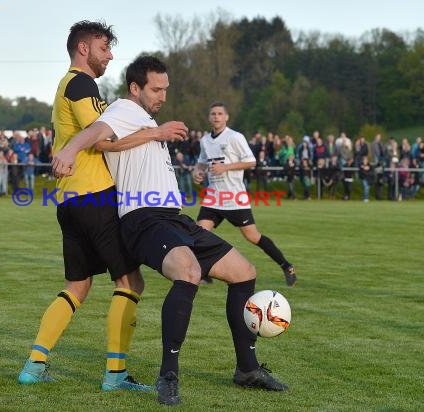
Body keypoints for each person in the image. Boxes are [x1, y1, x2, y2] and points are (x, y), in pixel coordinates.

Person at [52, 55, 288, 406]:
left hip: (174, 218)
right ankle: (168, 374)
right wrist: (70, 149)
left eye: (165, 89)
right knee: (188, 272)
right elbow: (96, 133)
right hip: (142, 219)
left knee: (244, 273)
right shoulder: (124, 109)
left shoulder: (145, 120)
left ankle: (247, 369)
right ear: (135, 88)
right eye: (156, 89)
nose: (163, 95)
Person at [18, 21, 187, 391]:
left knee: (77, 286)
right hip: (96, 194)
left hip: (69, 198)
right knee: (131, 280)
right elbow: (102, 140)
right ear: (83, 48)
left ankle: (34, 365)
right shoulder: (81, 83)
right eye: (104, 48)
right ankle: (115, 375)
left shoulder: (67, 85)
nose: (109, 55)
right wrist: (156, 132)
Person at [193, 102, 296, 287]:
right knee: (199, 233)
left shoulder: (235, 137)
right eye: (213, 114)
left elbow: (251, 162)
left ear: (226, 117)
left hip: (234, 198)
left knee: (252, 236)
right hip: (214, 197)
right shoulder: (205, 140)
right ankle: (205, 271)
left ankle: (287, 266)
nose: (216, 117)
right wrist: (197, 172)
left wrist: (226, 167)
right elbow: (201, 163)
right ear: (209, 118)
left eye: (219, 113)